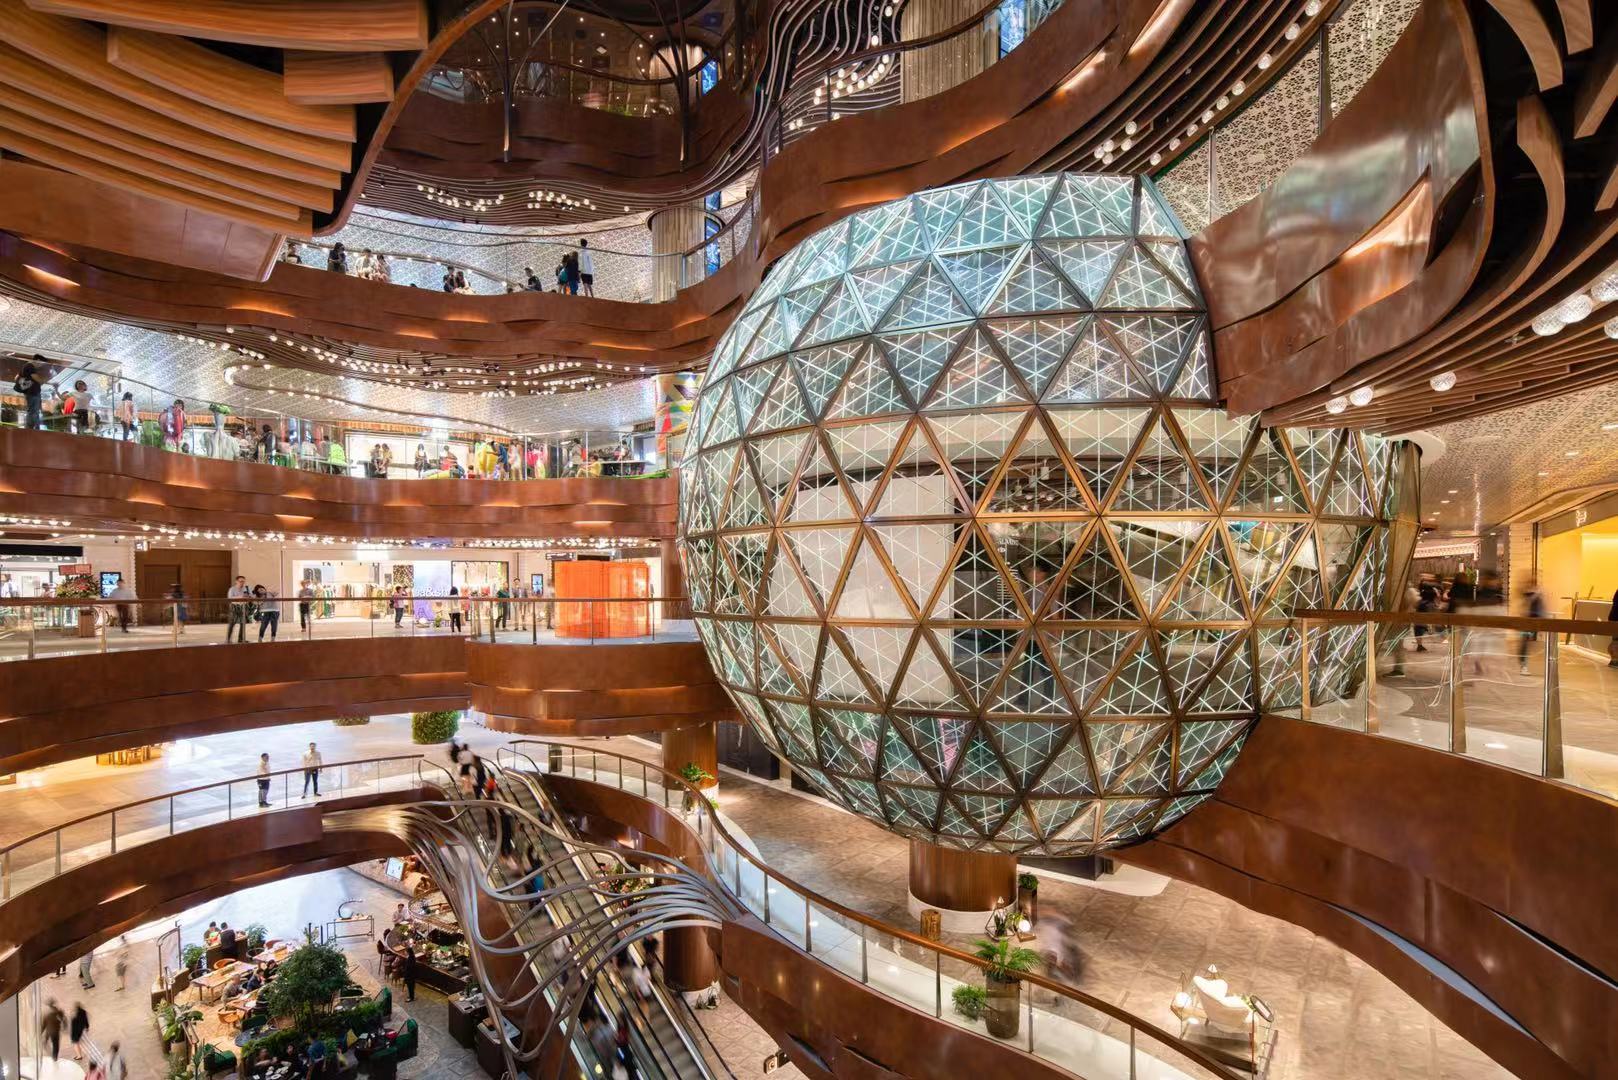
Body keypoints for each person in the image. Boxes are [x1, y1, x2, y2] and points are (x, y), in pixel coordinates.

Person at [13, 360, 43, 429]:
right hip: (33, 392)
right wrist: (41, 381)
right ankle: (31, 427)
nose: (40, 365)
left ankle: (32, 427)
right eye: (40, 363)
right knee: (33, 410)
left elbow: (15, 378)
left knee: (33, 410)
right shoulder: (30, 366)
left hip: (29, 392)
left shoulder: (24, 368)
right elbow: (35, 377)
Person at [227, 574, 253, 643]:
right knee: (232, 623)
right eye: (240, 581)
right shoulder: (232, 589)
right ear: (236, 581)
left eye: (243, 581)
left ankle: (240, 639)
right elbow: (230, 598)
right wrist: (241, 596)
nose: (242, 583)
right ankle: (228, 639)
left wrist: (248, 596)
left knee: (243, 623)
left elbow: (251, 596)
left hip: (243, 607)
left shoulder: (246, 588)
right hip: (234, 607)